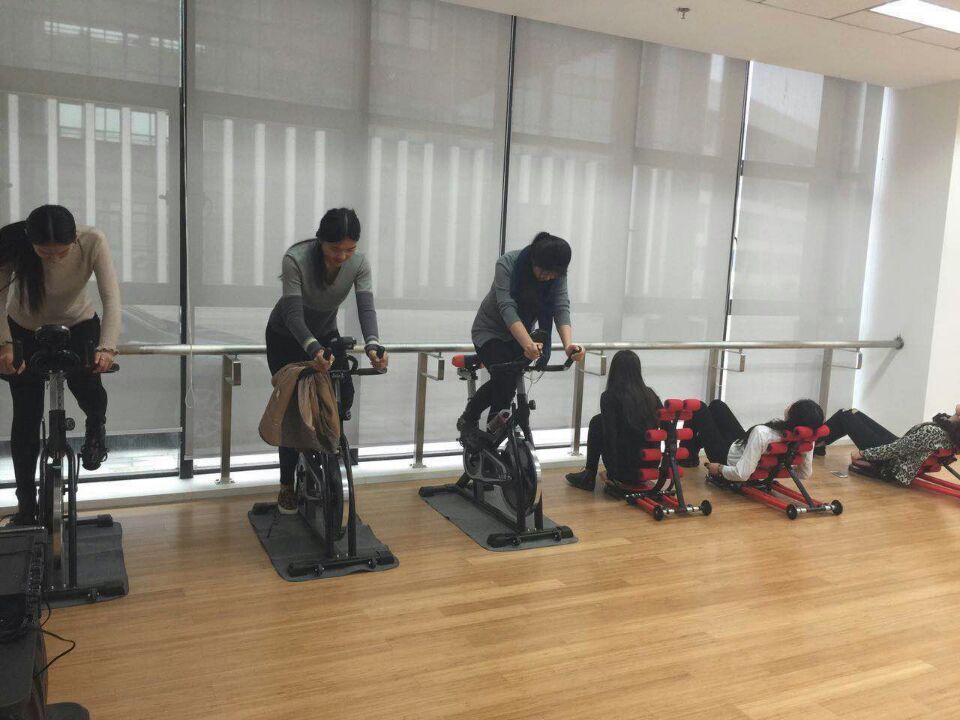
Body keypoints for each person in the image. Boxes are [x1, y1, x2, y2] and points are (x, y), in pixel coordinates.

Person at [0, 205, 121, 526]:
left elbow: (111, 297)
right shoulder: (14, 245)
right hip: (24, 329)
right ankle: (26, 508)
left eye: (61, 252)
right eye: (44, 252)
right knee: (26, 416)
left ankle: (96, 426)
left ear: (74, 239)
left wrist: (107, 347)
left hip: (78, 324)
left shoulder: (92, 241)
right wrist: (5, 344)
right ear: (31, 241)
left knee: (88, 385)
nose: (53, 258)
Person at [265, 208, 387, 513]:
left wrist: (373, 345)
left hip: (325, 332)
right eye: (335, 249)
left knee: (344, 391)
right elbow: (293, 316)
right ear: (321, 241)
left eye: (350, 249)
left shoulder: (359, 263)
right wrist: (314, 351)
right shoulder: (296, 259)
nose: (342, 256)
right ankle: (286, 485)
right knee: (293, 410)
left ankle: (326, 451)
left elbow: (366, 308)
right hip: (286, 336)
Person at [456, 232, 585, 449]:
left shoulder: (556, 275)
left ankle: (492, 438)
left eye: (553, 274)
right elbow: (507, 308)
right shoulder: (507, 264)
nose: (548, 278)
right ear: (534, 259)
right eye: (544, 272)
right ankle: (468, 419)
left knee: (508, 386)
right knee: (505, 379)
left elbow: (561, 307)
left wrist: (569, 345)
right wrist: (527, 344)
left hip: (522, 334)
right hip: (489, 331)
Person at [565, 351, 661, 491]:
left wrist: (613, 474)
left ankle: (589, 475)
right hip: (650, 465)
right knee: (601, 421)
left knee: (597, 422)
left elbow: (611, 436)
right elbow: (664, 425)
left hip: (623, 470)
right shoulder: (650, 395)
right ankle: (590, 474)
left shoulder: (609, 396)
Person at [682, 398, 824, 484]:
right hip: (739, 447)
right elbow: (805, 473)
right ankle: (695, 446)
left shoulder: (763, 433)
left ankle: (687, 458)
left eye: (794, 405)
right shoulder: (806, 438)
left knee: (698, 407)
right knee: (717, 405)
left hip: (725, 456)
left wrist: (719, 468)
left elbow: (742, 474)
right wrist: (774, 469)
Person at [820, 406, 960, 486]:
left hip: (890, 461)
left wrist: (863, 454)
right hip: (899, 453)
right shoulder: (949, 432)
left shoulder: (934, 432)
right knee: (852, 412)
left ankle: (815, 441)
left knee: (844, 415)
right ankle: (820, 444)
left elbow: (896, 449)